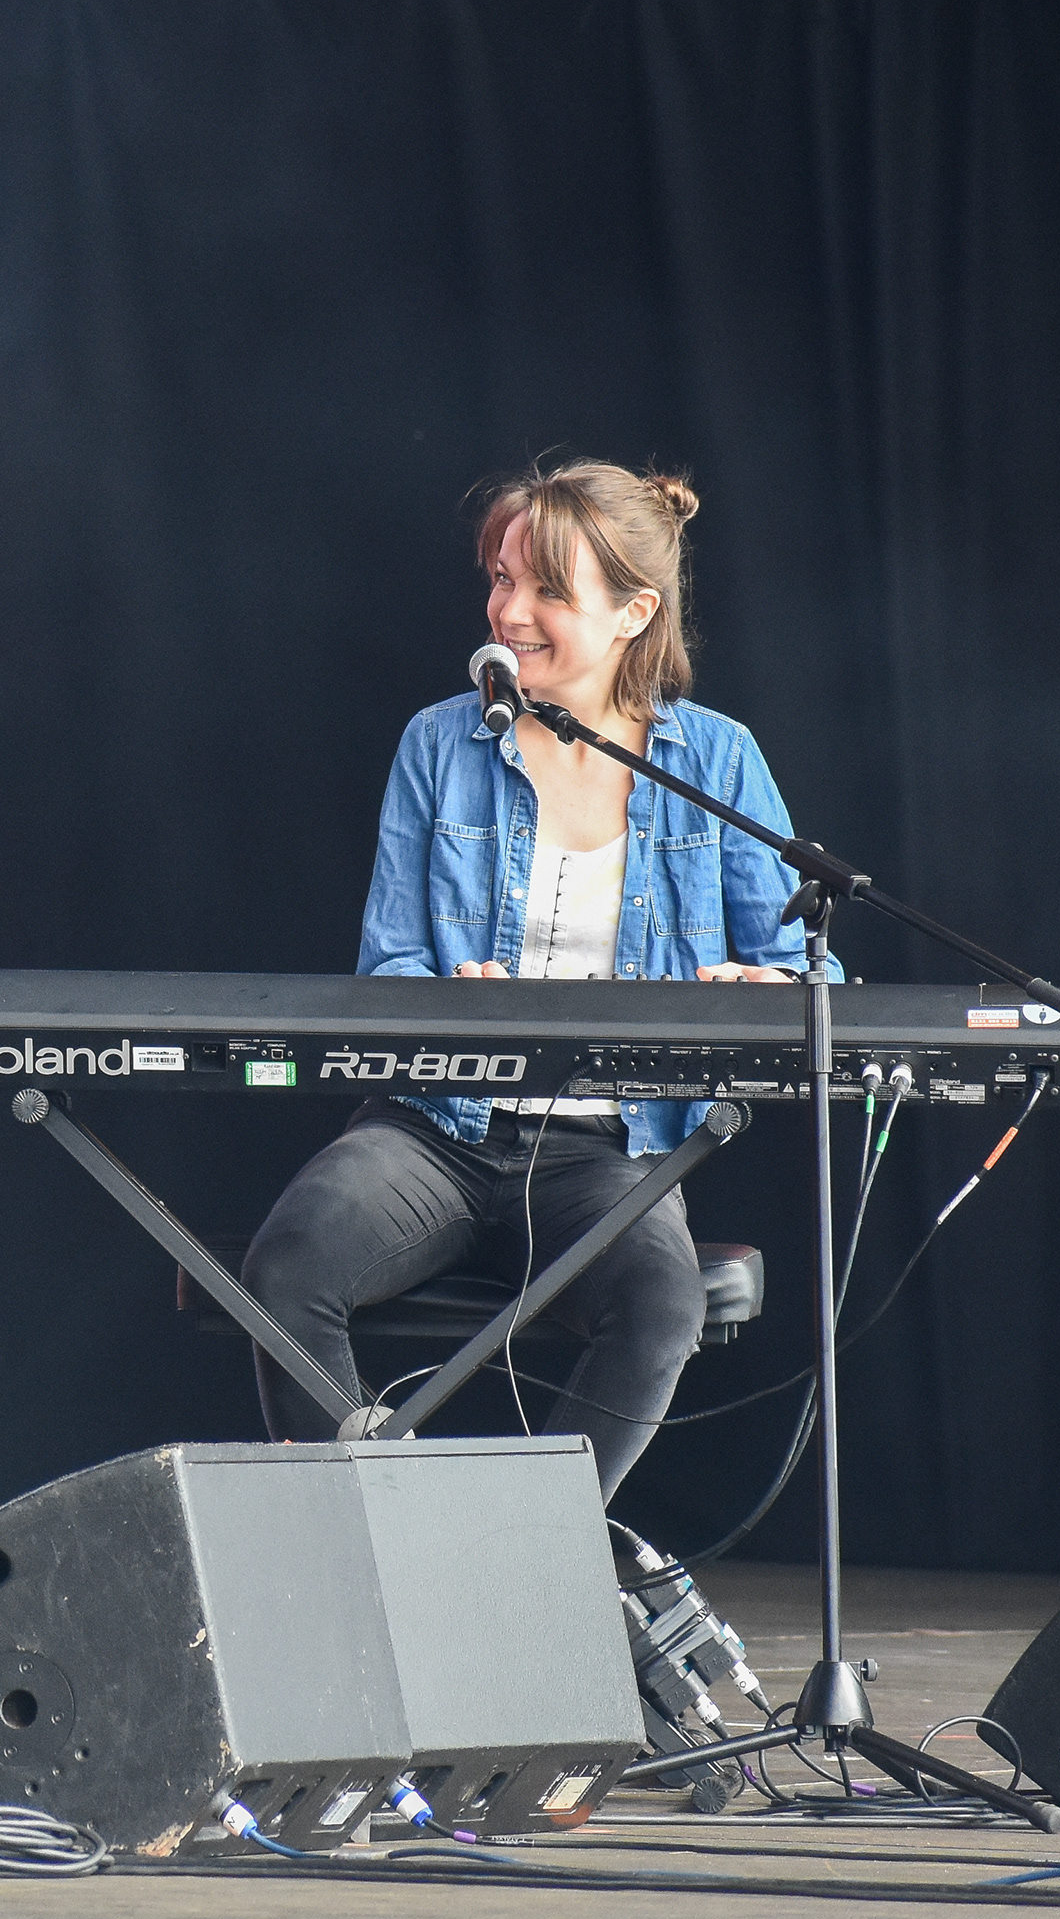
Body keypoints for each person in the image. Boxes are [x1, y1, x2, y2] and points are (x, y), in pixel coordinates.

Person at [241, 460, 811, 1503]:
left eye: (547, 589)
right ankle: (371, 1541)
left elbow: (801, 961)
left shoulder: (717, 760)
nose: (511, 612)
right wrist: (454, 997)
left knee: (659, 1308)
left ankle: (519, 1559)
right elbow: (391, 961)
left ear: (635, 611)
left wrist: (761, 989)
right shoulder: (439, 741)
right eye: (502, 580)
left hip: (606, 1153)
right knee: (288, 1268)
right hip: (437, 1130)